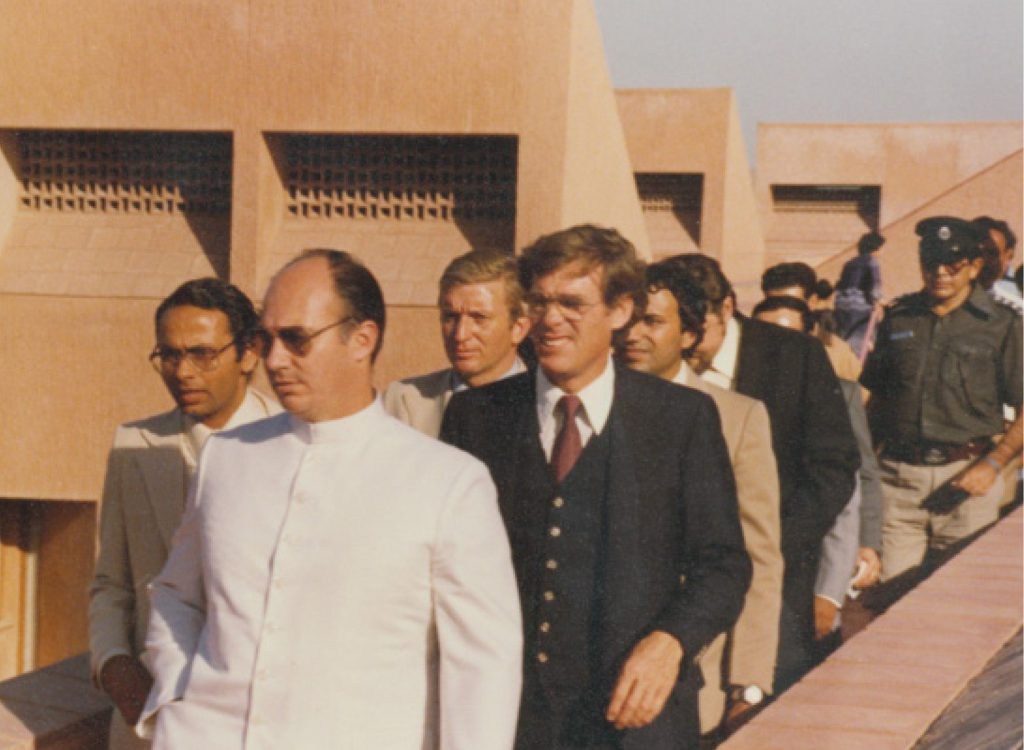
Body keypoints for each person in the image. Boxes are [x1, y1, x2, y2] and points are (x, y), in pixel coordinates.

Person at [140, 250, 523, 748]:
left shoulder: (449, 483)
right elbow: (174, 594)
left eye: (297, 339)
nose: (274, 360)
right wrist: (177, 696)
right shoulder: (227, 458)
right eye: (267, 339)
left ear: (362, 339)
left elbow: (482, 672)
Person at [442, 225, 751, 750]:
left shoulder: (681, 419)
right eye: (539, 302)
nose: (550, 320)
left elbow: (723, 564)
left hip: (635, 725)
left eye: (571, 303)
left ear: (620, 311)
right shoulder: (476, 417)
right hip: (509, 722)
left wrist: (670, 641)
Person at [88, 278, 278, 750]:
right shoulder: (134, 444)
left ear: (249, 354)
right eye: (169, 355)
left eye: (202, 353)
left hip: (259, 723)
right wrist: (114, 665)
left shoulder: (289, 444)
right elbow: (111, 581)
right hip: (150, 723)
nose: (183, 371)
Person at [668, 253, 858, 693]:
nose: (688, 341)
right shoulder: (657, 360)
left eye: (699, 327)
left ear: (727, 308)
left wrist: (771, 544)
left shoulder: (796, 357)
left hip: (776, 571)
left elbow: (833, 467)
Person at [617, 260, 782, 739]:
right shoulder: (586, 411)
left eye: (651, 321)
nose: (633, 335)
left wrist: (747, 684)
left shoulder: (738, 418)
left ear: (689, 335)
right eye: (627, 320)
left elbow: (757, 557)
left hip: (695, 671)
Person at [861, 217, 1023, 583]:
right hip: (899, 482)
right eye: (930, 262)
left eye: (952, 264)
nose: (940, 273)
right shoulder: (900, 317)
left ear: (975, 266)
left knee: (958, 597)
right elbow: (876, 399)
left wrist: (993, 465)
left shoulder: (1002, 324)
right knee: (893, 601)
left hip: (966, 482)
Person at [751, 300, 884, 653]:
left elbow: (846, 492)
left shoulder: (837, 395)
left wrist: (829, 591)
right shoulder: (732, 392)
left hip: (807, 576)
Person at [384, 248, 531, 437]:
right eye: (451, 317)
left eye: (479, 318)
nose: (460, 335)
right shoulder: (404, 401)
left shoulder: (545, 403)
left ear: (518, 329)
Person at [761, 266, 862, 384]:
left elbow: (858, 398)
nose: (782, 311)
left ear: (813, 301)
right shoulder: (751, 345)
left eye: (792, 304)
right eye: (772, 303)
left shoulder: (839, 355)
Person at [834, 231, 885, 356]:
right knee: (860, 341)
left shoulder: (849, 263)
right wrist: (878, 303)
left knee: (845, 339)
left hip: (842, 306)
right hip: (860, 308)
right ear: (876, 248)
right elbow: (875, 286)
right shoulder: (871, 261)